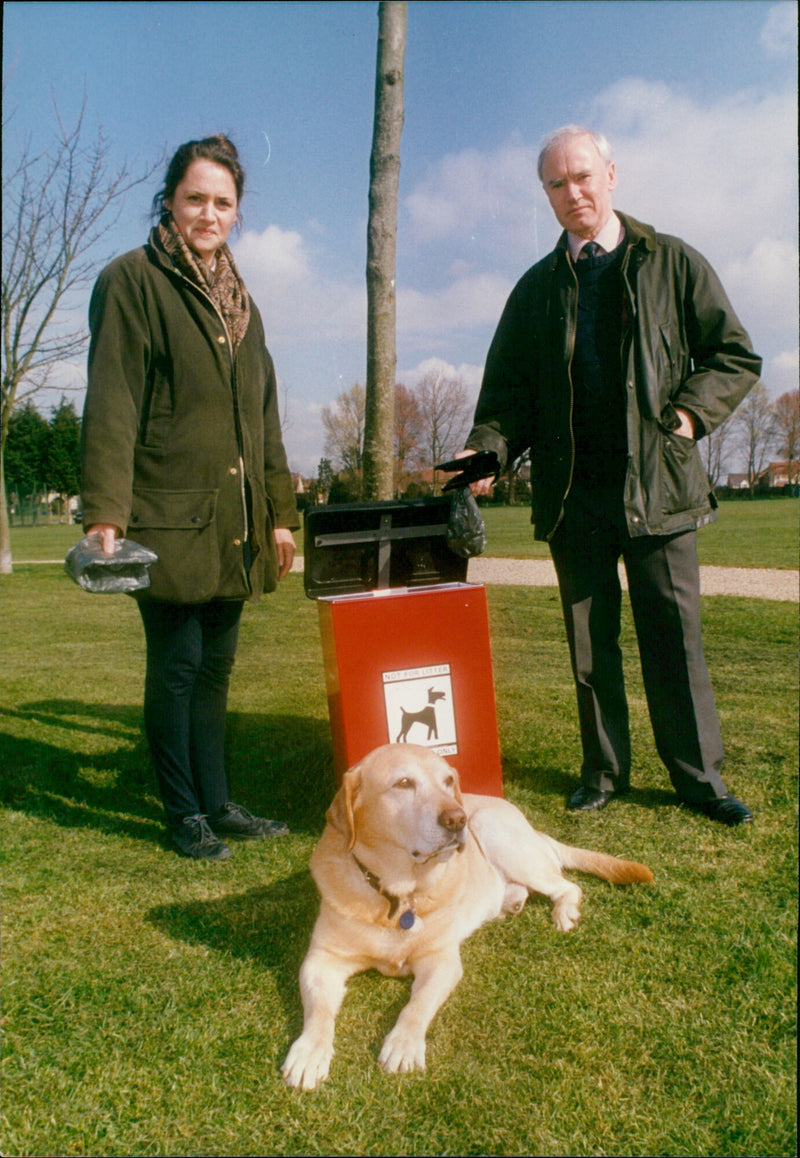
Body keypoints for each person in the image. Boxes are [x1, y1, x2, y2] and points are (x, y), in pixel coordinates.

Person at [462, 126, 761, 826]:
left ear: (612, 175)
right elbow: (507, 401)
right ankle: (603, 772)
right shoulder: (535, 290)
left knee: (674, 641)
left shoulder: (674, 262)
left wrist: (688, 416)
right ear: (546, 195)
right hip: (575, 498)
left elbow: (735, 357)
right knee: (591, 648)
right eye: (558, 184)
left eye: (584, 177)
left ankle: (699, 779)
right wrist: (483, 454)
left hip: (658, 489)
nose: (574, 193)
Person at [81, 135, 301, 859]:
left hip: (234, 525)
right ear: (170, 202)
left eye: (223, 202)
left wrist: (280, 514)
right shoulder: (132, 281)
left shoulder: (244, 305)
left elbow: (264, 417)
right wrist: (107, 513)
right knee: (175, 668)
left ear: (238, 213)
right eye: (195, 199)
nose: (209, 214)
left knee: (215, 670)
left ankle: (217, 801)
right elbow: (113, 402)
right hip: (168, 520)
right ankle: (183, 814)